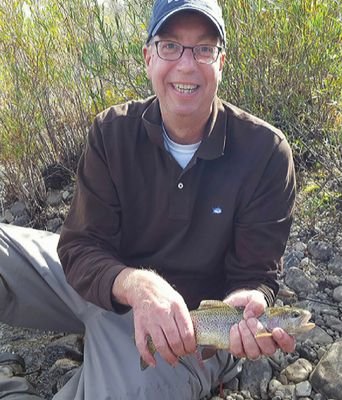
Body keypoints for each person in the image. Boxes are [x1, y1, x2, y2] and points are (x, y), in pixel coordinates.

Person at [0, 0, 296, 398]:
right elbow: (81, 246)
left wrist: (250, 301)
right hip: (108, 284)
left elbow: (257, 274)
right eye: (170, 45)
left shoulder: (266, 153)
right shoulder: (111, 132)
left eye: (204, 49)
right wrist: (134, 285)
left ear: (221, 63)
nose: (186, 65)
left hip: (187, 330)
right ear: (148, 57)